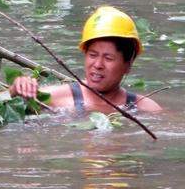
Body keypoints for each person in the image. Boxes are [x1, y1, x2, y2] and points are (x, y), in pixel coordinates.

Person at [9, 6, 162, 113]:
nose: (97, 65)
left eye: (108, 58)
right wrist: (15, 90)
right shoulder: (53, 97)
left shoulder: (144, 108)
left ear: (128, 65)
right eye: (93, 55)